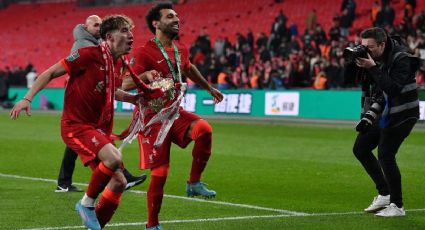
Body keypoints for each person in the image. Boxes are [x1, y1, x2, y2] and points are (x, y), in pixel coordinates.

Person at [10, 15, 161, 229]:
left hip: (97, 129)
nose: (131, 36)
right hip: (76, 126)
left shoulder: (117, 62)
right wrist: (27, 98)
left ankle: (97, 224)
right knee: (114, 157)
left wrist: (135, 98)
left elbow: (113, 91)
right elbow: (52, 72)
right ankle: (86, 204)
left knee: (119, 182)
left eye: (131, 32)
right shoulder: (88, 55)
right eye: (125, 31)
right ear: (109, 37)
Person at [122, 3, 223, 229]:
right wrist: (146, 76)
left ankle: (194, 183)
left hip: (175, 112)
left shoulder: (180, 49)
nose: (177, 20)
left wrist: (209, 88)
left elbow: (188, 68)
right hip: (152, 119)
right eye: (170, 17)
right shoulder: (143, 51)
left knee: (204, 129)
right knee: (161, 172)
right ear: (156, 24)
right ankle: (152, 224)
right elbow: (125, 83)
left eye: (177, 16)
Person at [56, 14, 146, 193]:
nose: (99, 27)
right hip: (81, 108)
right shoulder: (85, 47)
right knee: (92, 145)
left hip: (90, 111)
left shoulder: (102, 47)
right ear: (86, 28)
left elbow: (109, 83)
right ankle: (109, 182)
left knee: (88, 145)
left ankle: (66, 183)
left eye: (100, 25)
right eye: (95, 25)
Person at [350, 27, 420, 217]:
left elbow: (393, 89)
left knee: (386, 154)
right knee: (361, 148)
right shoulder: (379, 57)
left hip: (404, 112)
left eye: (370, 47)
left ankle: (397, 206)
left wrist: (372, 67)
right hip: (385, 111)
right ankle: (384, 193)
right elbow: (373, 87)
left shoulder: (401, 59)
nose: (366, 50)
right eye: (363, 46)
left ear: (382, 44)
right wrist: (363, 66)